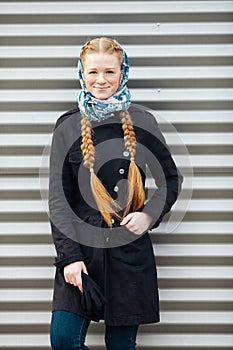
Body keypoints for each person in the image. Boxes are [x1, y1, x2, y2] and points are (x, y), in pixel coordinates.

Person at [49, 37, 183, 350]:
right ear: (81, 74)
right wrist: (69, 257)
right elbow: (59, 199)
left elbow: (171, 179)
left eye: (110, 72)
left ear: (123, 74)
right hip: (81, 250)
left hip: (128, 252)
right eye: (93, 72)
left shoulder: (142, 122)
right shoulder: (67, 126)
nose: (101, 79)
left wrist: (149, 214)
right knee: (64, 339)